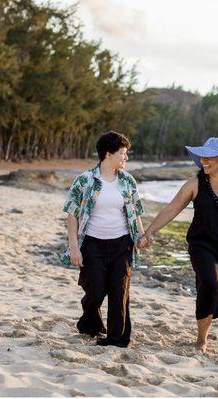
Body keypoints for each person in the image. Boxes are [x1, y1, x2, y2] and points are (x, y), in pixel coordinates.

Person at [138, 137, 218, 351]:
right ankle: (201, 340)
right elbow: (171, 209)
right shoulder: (195, 184)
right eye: (201, 156)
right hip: (203, 245)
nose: (203, 161)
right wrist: (148, 232)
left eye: (208, 157)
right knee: (212, 286)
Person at [60, 131, 145, 347]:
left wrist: (141, 237)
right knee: (95, 292)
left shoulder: (127, 181)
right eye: (123, 153)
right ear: (108, 154)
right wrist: (73, 248)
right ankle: (90, 324)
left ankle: (117, 339)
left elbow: (135, 212)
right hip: (92, 244)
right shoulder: (84, 180)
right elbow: (72, 214)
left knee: (119, 293)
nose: (126, 158)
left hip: (121, 243)